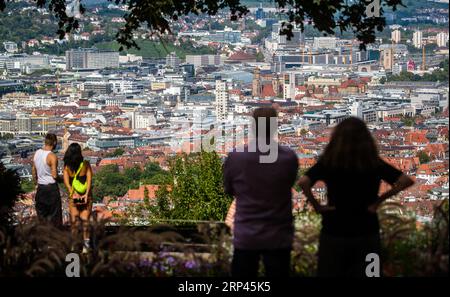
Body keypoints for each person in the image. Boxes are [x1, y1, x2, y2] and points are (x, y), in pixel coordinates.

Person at [298, 117, 414, 277]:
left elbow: (303, 181)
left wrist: (317, 206)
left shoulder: (329, 162)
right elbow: (405, 181)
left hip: (334, 229)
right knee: (370, 275)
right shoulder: (373, 162)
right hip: (367, 230)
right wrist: (378, 201)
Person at [223, 107, 298, 277]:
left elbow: (229, 190)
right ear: (275, 127)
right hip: (278, 234)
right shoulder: (288, 157)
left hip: (246, 233)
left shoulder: (237, 157)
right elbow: (289, 185)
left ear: (253, 127)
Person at [63, 143, 93, 253]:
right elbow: (89, 180)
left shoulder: (67, 167)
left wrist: (73, 193)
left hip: (73, 197)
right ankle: (86, 246)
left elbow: (67, 183)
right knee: (85, 221)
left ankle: (74, 245)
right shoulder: (85, 164)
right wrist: (86, 194)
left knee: (74, 222)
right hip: (86, 196)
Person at [32, 133, 62, 227]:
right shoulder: (52, 156)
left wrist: (36, 183)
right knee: (54, 217)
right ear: (54, 142)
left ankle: (42, 238)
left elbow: (33, 170)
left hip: (41, 188)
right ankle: (54, 239)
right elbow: (54, 175)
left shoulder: (37, 153)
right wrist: (64, 179)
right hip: (51, 189)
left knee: (42, 217)